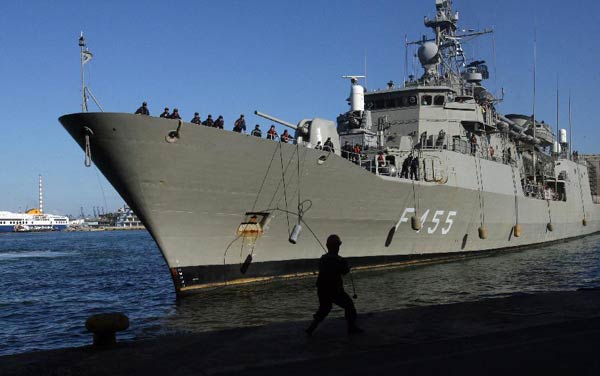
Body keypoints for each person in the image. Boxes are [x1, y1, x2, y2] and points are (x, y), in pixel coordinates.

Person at [305, 234, 362, 336]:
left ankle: (311, 328)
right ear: (337, 246)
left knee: (324, 309)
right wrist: (346, 266)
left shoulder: (323, 259)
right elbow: (344, 271)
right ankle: (351, 327)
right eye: (338, 245)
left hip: (322, 289)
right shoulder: (339, 260)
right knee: (349, 305)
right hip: (335, 290)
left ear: (327, 246)